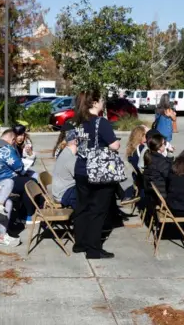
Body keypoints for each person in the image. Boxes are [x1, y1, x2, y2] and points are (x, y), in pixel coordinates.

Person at [72, 89, 121, 259]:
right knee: (98, 210)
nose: (103, 103)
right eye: (101, 100)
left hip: (80, 169)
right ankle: (93, 249)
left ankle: (80, 243)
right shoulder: (101, 122)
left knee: (82, 207)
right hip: (98, 171)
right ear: (94, 103)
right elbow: (114, 145)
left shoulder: (78, 122)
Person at [0, 129, 38, 224]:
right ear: (12, 139)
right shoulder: (8, 148)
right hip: (7, 181)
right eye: (14, 141)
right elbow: (19, 167)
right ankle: (27, 215)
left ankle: (23, 214)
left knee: (25, 182)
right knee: (30, 182)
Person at [143, 134, 172, 203]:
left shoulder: (150, 157)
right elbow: (170, 176)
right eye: (164, 143)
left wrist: (168, 155)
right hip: (162, 194)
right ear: (159, 147)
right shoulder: (160, 161)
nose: (165, 145)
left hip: (151, 193)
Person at [52, 128, 77, 208]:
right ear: (76, 141)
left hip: (60, 191)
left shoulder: (66, 151)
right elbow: (81, 176)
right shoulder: (70, 157)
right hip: (63, 194)